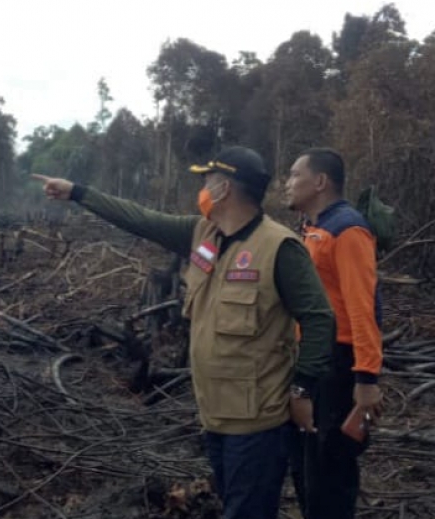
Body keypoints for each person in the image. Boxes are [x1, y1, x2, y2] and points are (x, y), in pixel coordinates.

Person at [32, 146, 335, 519]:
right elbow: (140, 219)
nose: (202, 189)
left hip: (258, 423)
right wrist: (77, 192)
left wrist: (302, 390)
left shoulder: (279, 248)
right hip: (214, 415)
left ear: (224, 189)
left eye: (207, 181)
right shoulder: (201, 234)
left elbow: (320, 319)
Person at [285, 147, 384, 519]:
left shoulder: (348, 229)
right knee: (306, 465)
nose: (287, 183)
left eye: (295, 174)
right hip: (310, 360)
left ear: (320, 182)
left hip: (338, 366)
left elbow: (363, 307)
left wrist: (366, 378)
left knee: (331, 469)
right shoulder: (313, 228)